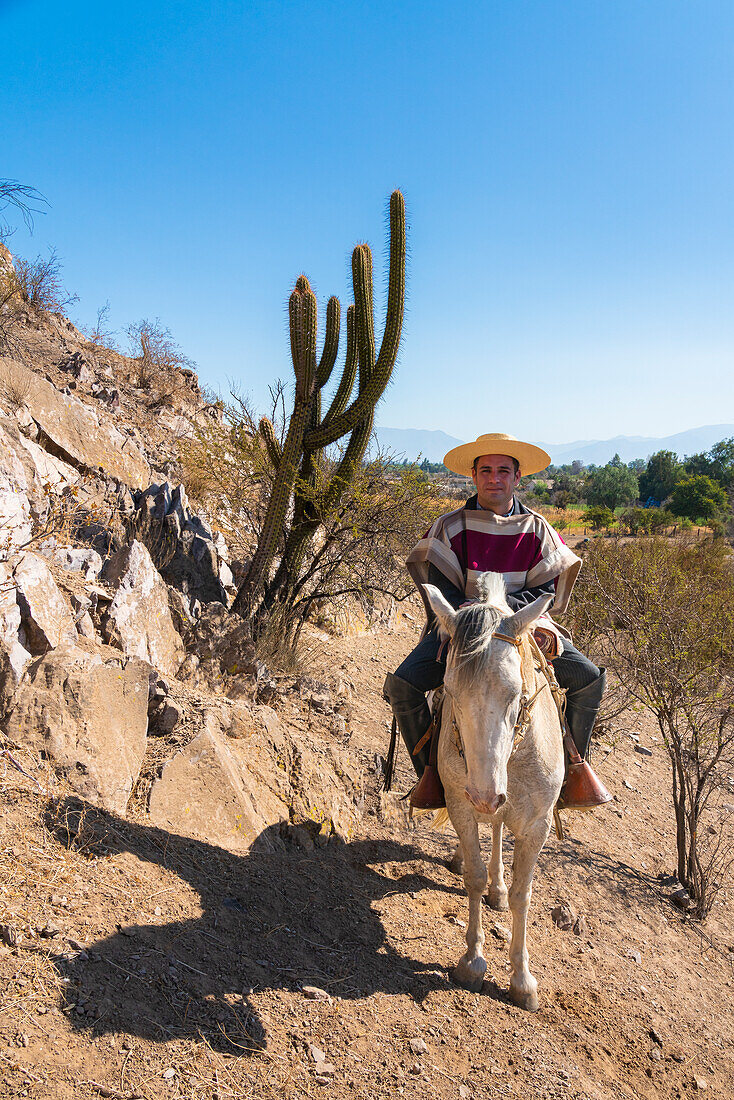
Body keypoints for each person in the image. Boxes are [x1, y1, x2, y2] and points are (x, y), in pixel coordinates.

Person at [383, 432, 609, 811]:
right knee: (403, 685)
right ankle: (432, 776)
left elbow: (547, 588)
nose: (494, 478)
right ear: (473, 475)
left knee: (587, 679)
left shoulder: (537, 528)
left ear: (517, 477)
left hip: (523, 627)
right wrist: (475, 617)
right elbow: (440, 585)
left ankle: (571, 771)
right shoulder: (450, 526)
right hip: (464, 628)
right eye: (485, 470)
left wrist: (505, 616)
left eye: (503, 470)